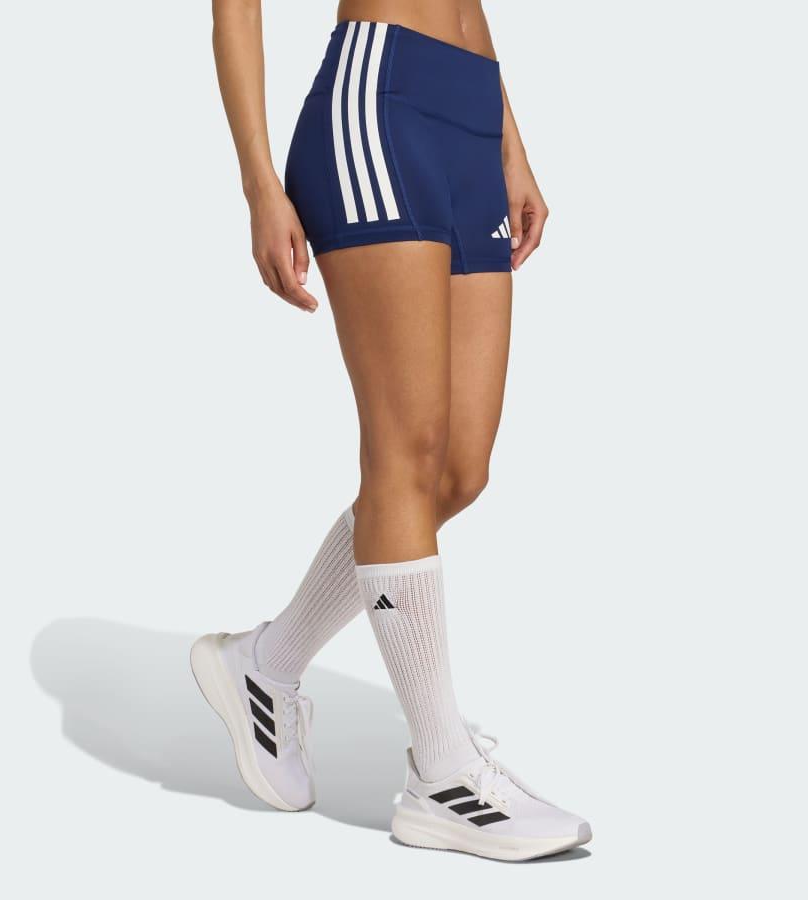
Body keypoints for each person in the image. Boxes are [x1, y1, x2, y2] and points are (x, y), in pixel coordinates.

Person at [190, 0, 591, 861]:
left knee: (458, 472)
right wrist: (260, 187)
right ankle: (442, 777)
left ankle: (266, 661)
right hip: (378, 108)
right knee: (406, 451)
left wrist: (508, 144)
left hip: (469, 111)